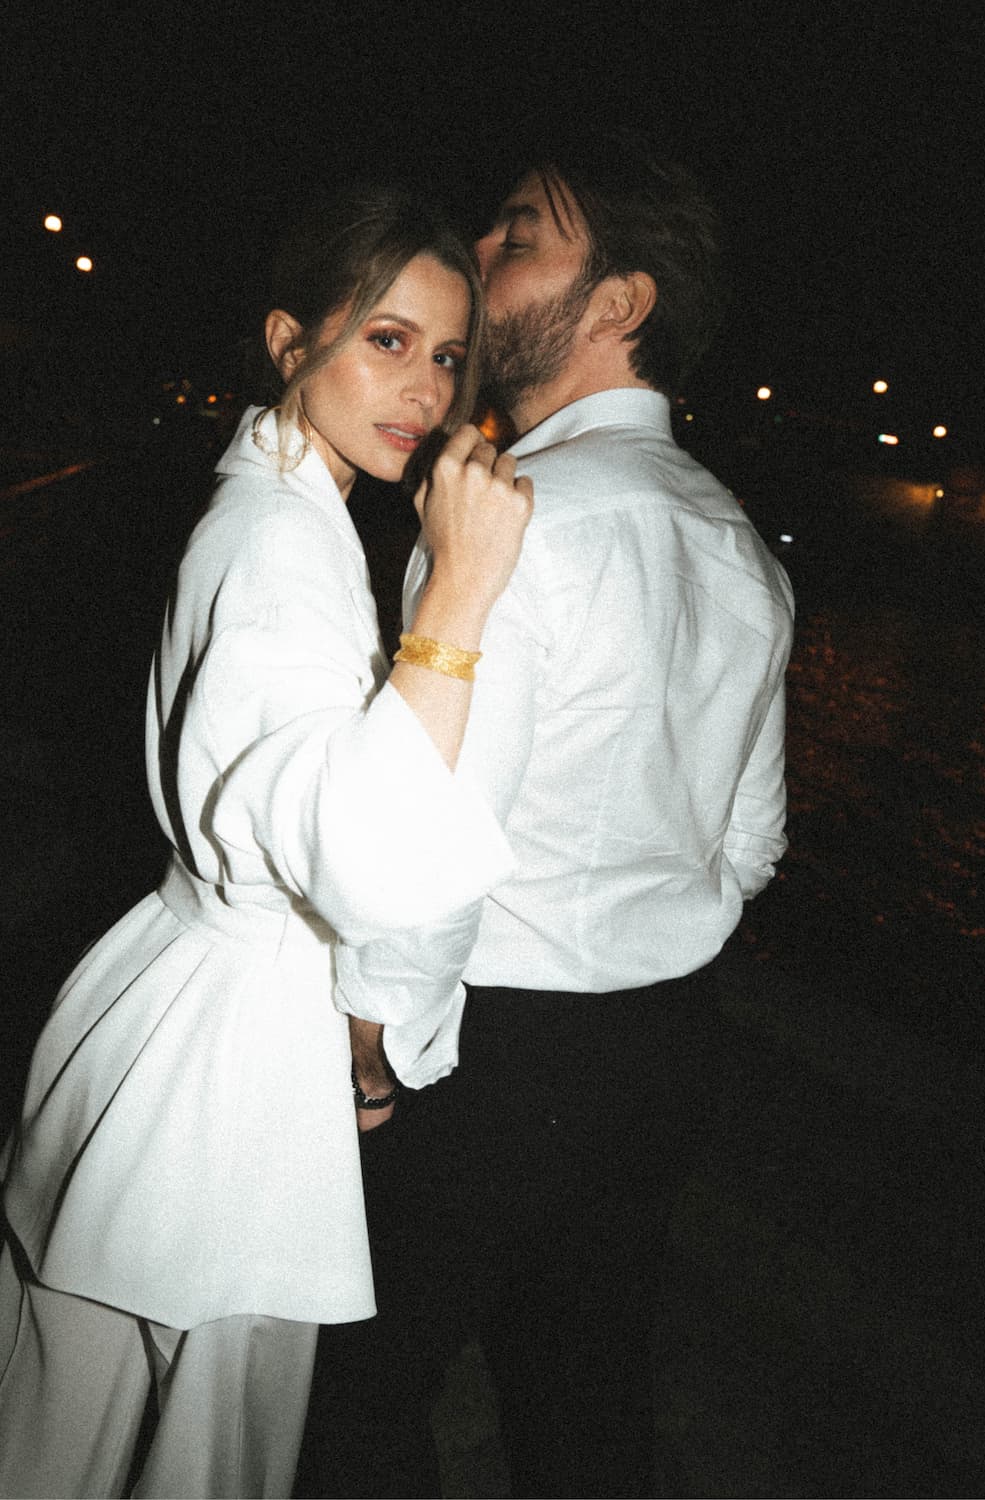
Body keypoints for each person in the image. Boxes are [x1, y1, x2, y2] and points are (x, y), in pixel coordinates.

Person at [0, 181, 532, 1499]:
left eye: (447, 354)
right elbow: (366, 853)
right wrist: (461, 593)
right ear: (292, 339)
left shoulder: (281, 510)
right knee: (206, 1452)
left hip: (191, 1004)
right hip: (229, 1053)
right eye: (386, 339)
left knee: (68, 1422)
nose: (424, 387)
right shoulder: (282, 546)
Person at [307, 130, 795, 1499]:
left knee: (348, 1400)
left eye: (521, 235)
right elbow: (752, 844)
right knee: (584, 1403)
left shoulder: (510, 520)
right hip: (663, 1052)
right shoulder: (741, 544)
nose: (481, 251)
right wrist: (640, 922)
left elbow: (430, 835)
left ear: (620, 302)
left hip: (491, 1059)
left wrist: (376, 1042)